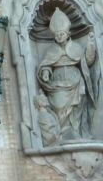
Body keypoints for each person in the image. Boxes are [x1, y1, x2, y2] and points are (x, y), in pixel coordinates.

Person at [36, 8, 99, 142]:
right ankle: (62, 134)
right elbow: (46, 64)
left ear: (68, 34)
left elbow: (87, 62)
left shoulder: (76, 47)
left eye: (62, 34)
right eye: (57, 34)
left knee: (77, 109)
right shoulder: (51, 50)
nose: (59, 36)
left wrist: (91, 44)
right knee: (59, 106)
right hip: (57, 84)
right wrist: (46, 72)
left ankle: (76, 133)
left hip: (75, 81)